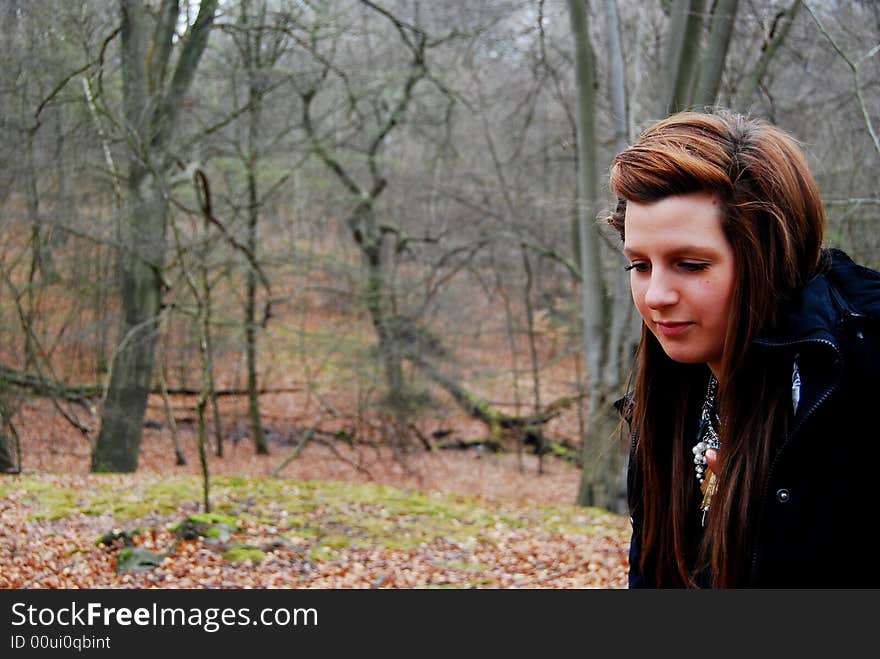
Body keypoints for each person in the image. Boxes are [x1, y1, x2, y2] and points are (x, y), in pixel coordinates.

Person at [608, 110, 880, 588]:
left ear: (767, 254)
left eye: (690, 264)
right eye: (640, 265)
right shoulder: (674, 384)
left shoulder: (857, 372)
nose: (656, 296)